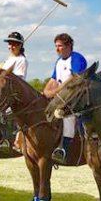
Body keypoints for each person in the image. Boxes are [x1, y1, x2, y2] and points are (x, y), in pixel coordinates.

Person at [43, 32, 87, 163]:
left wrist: (57, 90)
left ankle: (64, 149)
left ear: (69, 46)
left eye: (60, 46)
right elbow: (53, 79)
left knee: (67, 115)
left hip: (75, 95)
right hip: (60, 95)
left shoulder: (77, 58)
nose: (57, 49)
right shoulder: (59, 61)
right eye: (56, 46)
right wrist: (46, 90)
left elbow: (74, 78)